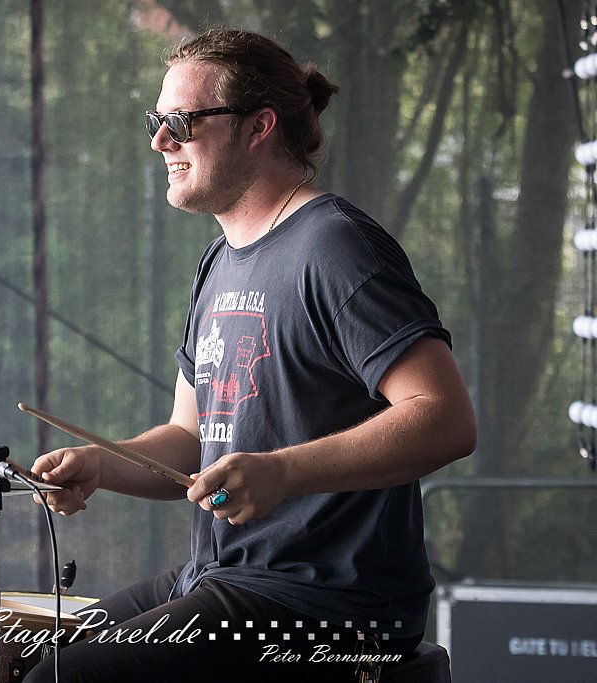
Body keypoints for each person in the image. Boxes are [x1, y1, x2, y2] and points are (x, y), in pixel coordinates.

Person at [25, 27, 476, 683]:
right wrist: (103, 462)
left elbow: (445, 418)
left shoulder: (336, 246)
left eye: (181, 122)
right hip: (223, 575)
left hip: (328, 607)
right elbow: (190, 438)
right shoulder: (219, 261)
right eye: (156, 121)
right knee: (25, 653)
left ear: (259, 126)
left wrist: (282, 471)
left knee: (60, 678)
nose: (160, 141)